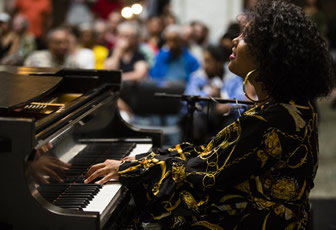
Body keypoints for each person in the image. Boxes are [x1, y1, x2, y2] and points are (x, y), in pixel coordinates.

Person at [84, 1, 334, 229]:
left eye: (245, 36)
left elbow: (203, 171)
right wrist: (143, 160)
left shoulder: (270, 119)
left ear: (269, 55)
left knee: (135, 220)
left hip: (260, 221)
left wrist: (132, 167)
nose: (234, 40)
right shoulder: (294, 107)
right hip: (273, 215)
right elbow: (210, 156)